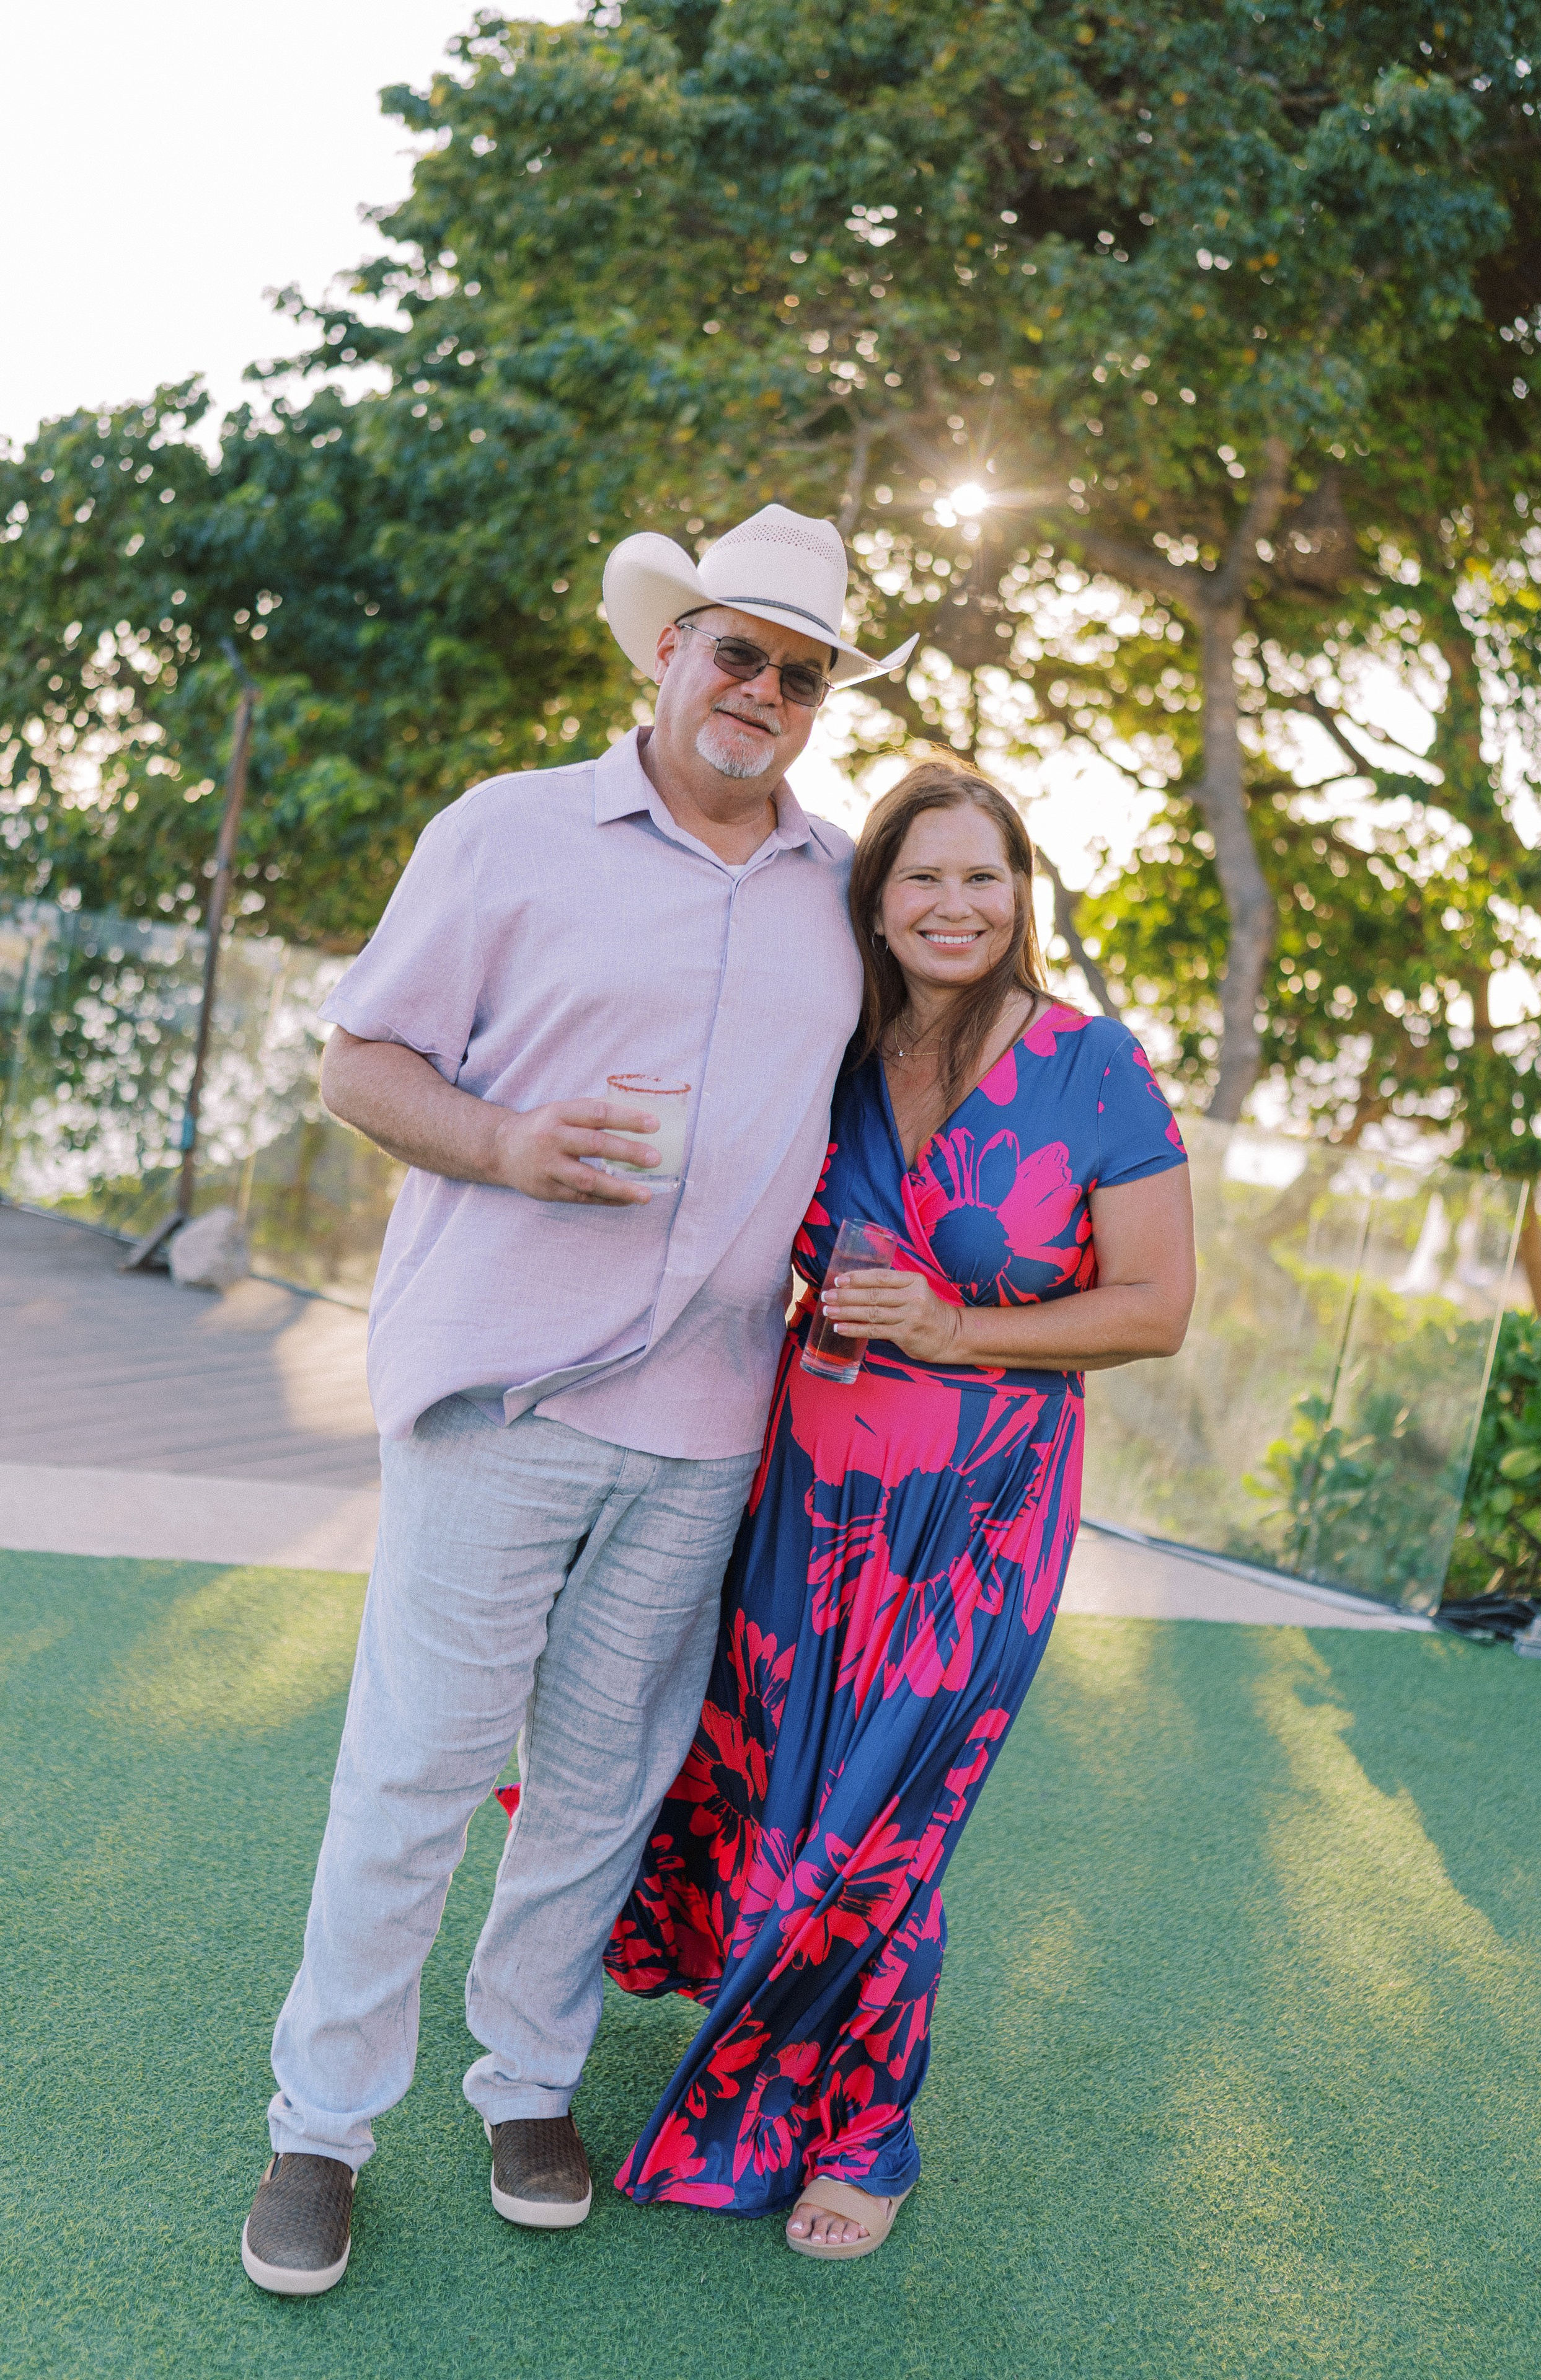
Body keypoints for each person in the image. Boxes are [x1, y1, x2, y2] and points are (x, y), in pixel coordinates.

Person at [239, 505, 916, 2296]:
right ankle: (320, 2130)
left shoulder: (844, 895)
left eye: (799, 671)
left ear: (820, 701)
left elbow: (916, 1095)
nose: (761, 690)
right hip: (501, 1399)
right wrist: (511, 1146)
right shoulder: (511, 829)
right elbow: (359, 1065)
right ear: (667, 654)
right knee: (415, 1775)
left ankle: (527, 2081)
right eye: (736, 652)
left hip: (706, 1426)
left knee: (600, 1788)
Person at [605, 760, 1196, 2259]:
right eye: (920, 877)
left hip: (982, 1507)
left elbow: (1155, 1310)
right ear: (873, 903)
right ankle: (773, 2051)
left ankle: (867, 2136)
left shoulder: (1091, 1063)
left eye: (982, 877)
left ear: (1020, 898)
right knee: (779, 1796)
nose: (954, 904)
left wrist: (952, 1331)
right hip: (804, 1498)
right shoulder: (834, 1056)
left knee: (887, 1827)